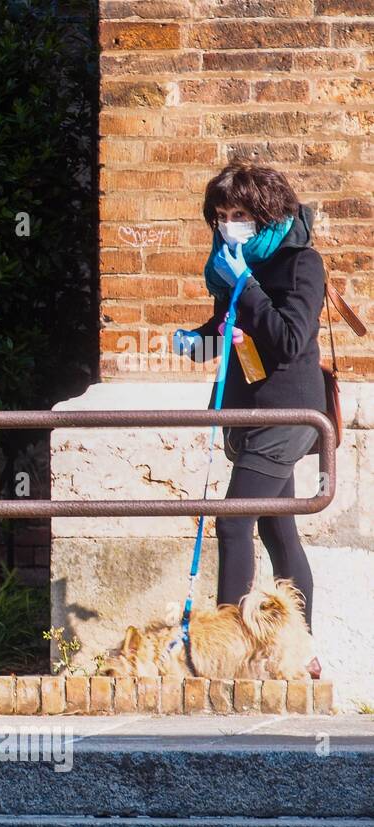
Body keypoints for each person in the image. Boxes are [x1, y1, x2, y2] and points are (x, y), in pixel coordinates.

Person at [176, 162, 326, 678]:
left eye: (238, 215)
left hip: (287, 414)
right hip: (248, 413)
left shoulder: (300, 263)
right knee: (278, 530)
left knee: (233, 520)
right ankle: (303, 655)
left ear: (266, 215)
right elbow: (227, 329)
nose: (228, 226)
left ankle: (225, 655)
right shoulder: (229, 267)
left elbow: (288, 339)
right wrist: (196, 341)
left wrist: (247, 283)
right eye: (220, 216)